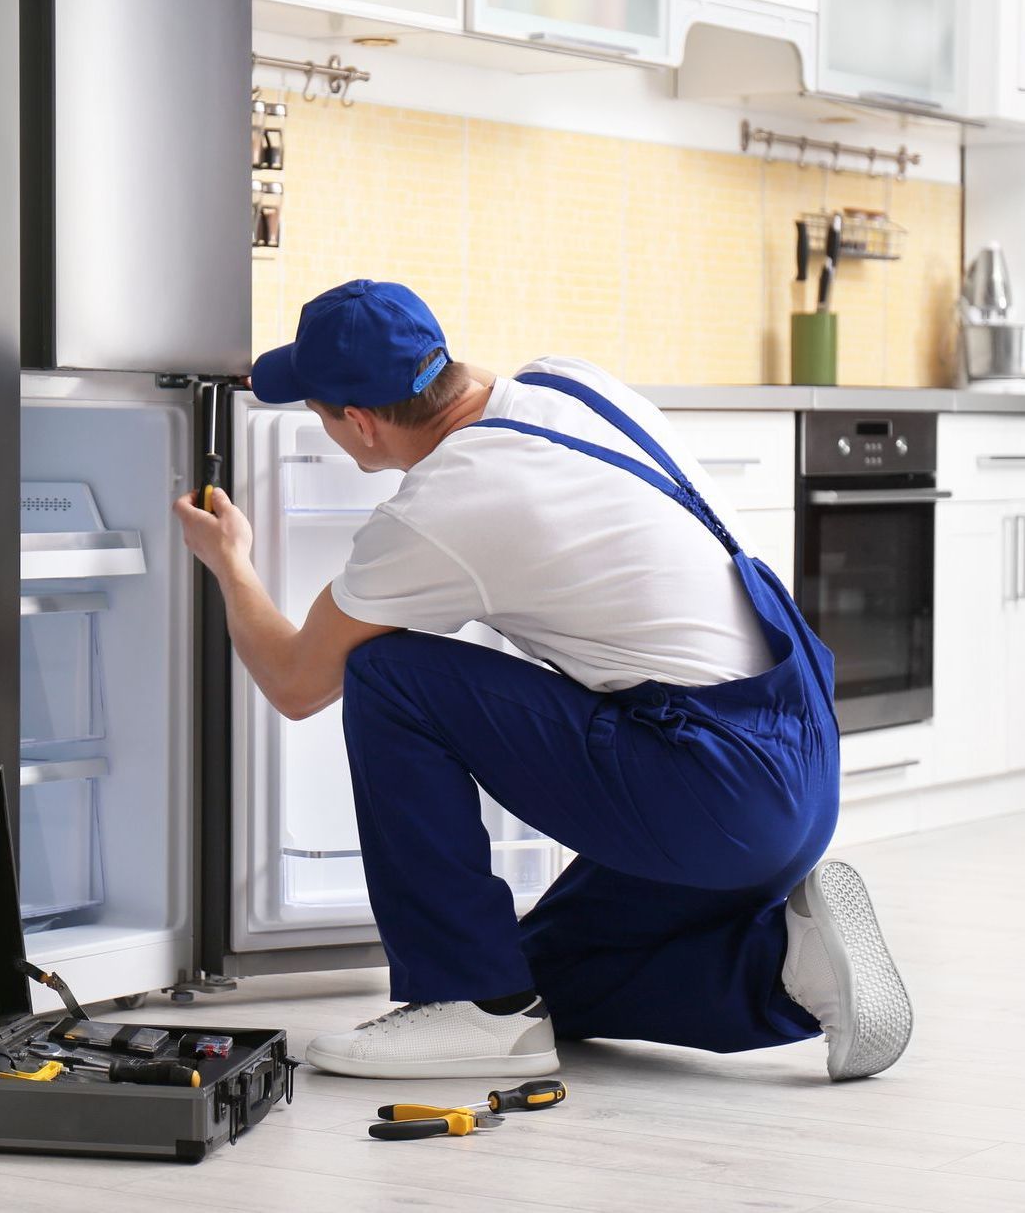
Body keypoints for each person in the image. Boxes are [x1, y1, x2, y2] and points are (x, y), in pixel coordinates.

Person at [172, 278, 913, 1082]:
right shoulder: (570, 382)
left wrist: (232, 563)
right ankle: (788, 971)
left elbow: (294, 682)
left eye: (320, 413)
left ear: (359, 422)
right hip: (796, 760)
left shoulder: (441, 506)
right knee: (539, 980)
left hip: (712, 789)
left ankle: (468, 1003)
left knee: (389, 674)